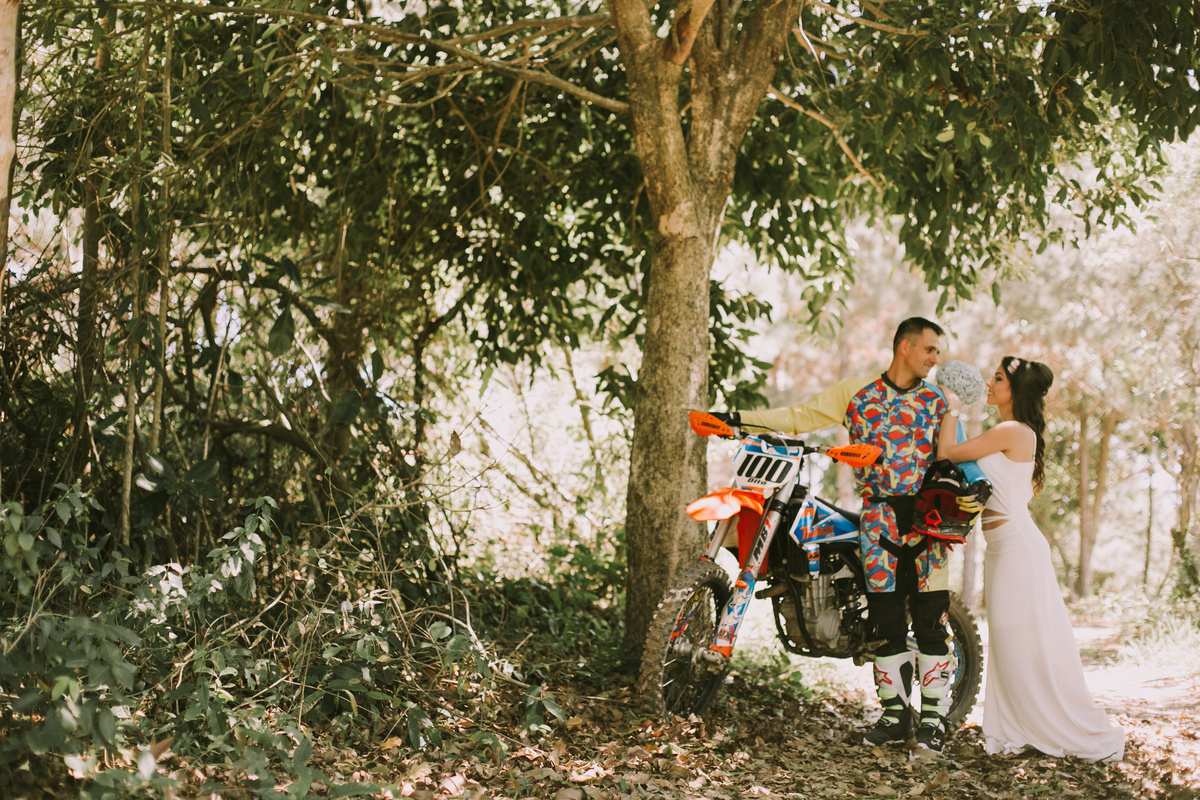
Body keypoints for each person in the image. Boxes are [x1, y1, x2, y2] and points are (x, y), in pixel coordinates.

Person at [715, 317, 981, 753]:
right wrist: (738, 419)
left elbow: (961, 453)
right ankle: (895, 718)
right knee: (886, 624)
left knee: (931, 622)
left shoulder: (937, 401)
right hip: (877, 521)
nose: (936, 359)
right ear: (905, 347)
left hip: (927, 524)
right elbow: (798, 417)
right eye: (930, 349)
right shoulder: (855, 393)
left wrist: (978, 484)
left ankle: (933, 723)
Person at [937, 356, 1125, 762]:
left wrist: (952, 404)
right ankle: (1018, 727)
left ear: (1016, 391)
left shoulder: (1011, 431)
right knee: (1009, 643)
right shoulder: (1007, 430)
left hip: (1017, 548)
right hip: (1003, 548)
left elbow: (947, 452)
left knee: (1018, 642)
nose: (989, 383)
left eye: (998, 379)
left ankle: (1046, 725)